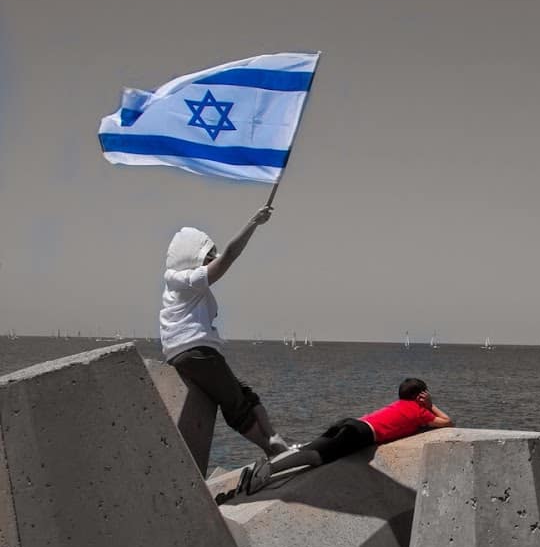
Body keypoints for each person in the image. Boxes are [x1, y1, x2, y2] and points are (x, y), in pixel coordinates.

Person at [160, 205, 292, 457]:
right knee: (235, 404)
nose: (213, 258)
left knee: (242, 391)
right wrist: (253, 223)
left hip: (181, 355)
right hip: (197, 351)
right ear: (192, 257)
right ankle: (271, 449)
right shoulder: (187, 281)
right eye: (208, 254)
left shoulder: (176, 286)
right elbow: (229, 256)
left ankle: (275, 438)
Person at [236, 377, 452, 497]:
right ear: (420, 396)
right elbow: (448, 423)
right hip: (361, 434)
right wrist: (431, 405)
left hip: (352, 423)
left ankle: (266, 467)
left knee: (311, 448)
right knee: (314, 457)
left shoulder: (398, 405)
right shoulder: (418, 411)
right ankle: (267, 470)